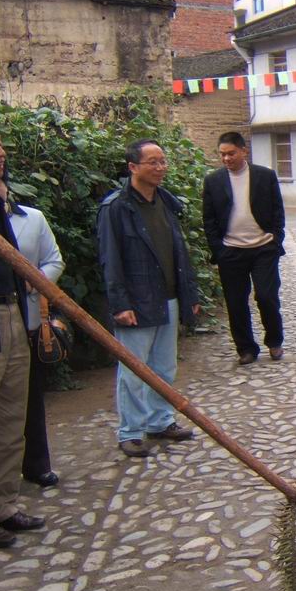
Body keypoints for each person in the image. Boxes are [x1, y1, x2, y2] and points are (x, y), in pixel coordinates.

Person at [97, 140, 199, 458]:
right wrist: (120, 304)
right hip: (136, 303)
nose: (160, 168)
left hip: (167, 297)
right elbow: (109, 258)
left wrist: (189, 294)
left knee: (164, 367)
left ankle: (160, 421)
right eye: (152, 162)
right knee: (133, 371)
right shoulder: (116, 207)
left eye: (162, 162)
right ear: (133, 167)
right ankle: (130, 431)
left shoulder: (165, 202)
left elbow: (179, 252)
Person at [202, 132, 286, 366]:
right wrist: (218, 249)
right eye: (222, 154)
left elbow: (278, 210)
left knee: (267, 296)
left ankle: (275, 340)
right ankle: (246, 348)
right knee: (236, 302)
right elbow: (208, 218)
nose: (226, 158)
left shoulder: (265, 176)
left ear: (243, 151)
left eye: (231, 153)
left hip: (263, 248)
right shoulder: (213, 180)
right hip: (231, 251)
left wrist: (275, 239)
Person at [5, 165, 65, 488]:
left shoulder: (32, 219)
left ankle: (37, 463)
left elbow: (53, 260)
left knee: (30, 398)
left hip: (27, 320)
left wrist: (32, 282)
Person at [0, 137, 42, 549]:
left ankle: (5, 505)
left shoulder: (2, 202)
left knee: (12, 416)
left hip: (11, 310)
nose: (0, 158)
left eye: (1, 152)